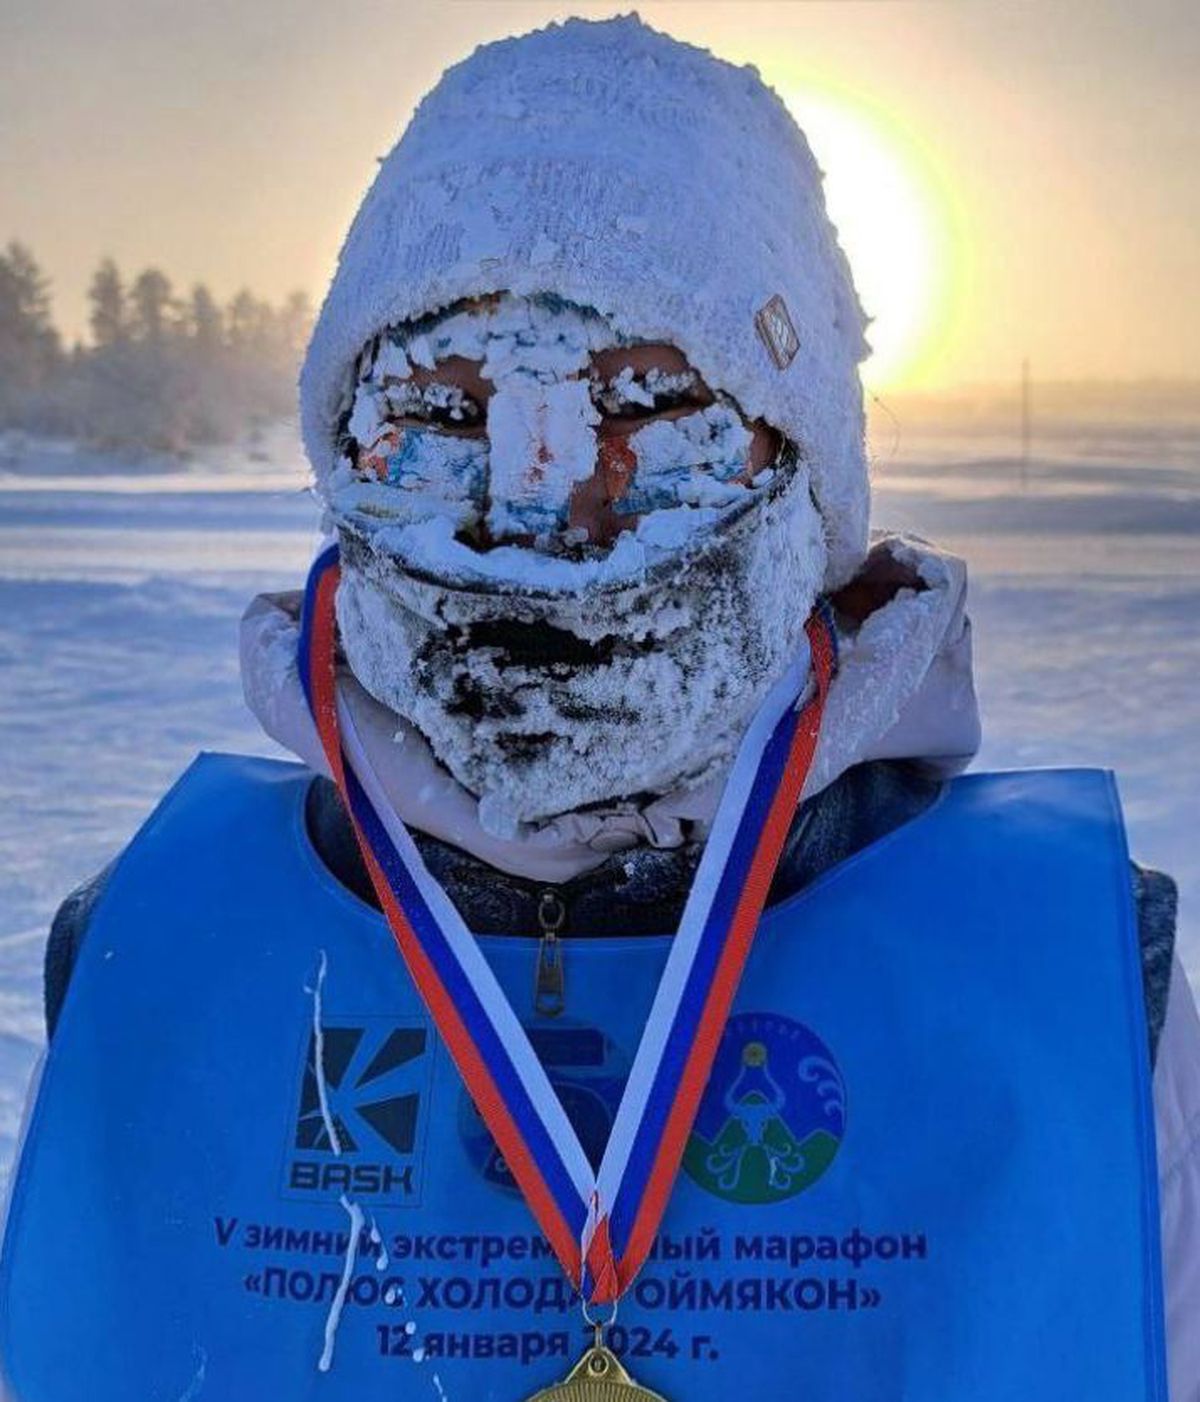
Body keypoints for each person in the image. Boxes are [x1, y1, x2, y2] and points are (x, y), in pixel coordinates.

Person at [3, 15, 1198, 1402]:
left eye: (645, 401)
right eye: (447, 413)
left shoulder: (1081, 979)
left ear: (800, 454)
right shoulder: (148, 950)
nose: (541, 501)